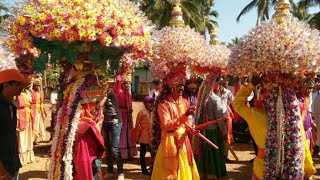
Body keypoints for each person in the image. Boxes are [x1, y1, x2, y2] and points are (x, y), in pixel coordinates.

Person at [233, 75, 316, 179]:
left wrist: (251, 84)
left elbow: (237, 104)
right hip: (292, 171)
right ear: (292, 103)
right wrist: (307, 172)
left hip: (263, 171)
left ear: (267, 101)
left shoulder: (257, 116)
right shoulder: (295, 122)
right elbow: (304, 149)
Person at [151, 71, 199, 180]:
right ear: (172, 87)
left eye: (183, 86)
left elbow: (188, 123)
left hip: (183, 144)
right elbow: (167, 125)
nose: (182, 88)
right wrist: (185, 115)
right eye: (179, 86)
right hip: (170, 143)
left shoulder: (184, 102)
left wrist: (192, 129)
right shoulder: (163, 104)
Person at [194, 76, 228, 179]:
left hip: (201, 133)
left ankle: (202, 175)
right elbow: (220, 118)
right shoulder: (215, 99)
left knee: (204, 154)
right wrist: (224, 132)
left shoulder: (200, 99)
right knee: (214, 155)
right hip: (212, 133)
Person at [0, 69, 29, 180]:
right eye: (18, 84)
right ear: (6, 85)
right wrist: (2, 173)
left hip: (13, 164)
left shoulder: (12, 105)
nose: (22, 88)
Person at [99, 88, 124, 180]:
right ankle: (110, 171)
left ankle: (121, 173)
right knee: (107, 148)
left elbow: (100, 104)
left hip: (115, 123)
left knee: (115, 148)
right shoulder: (100, 93)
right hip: (106, 123)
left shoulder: (108, 91)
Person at [114, 73, 137, 159]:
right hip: (121, 114)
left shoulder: (129, 93)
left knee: (129, 133)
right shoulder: (119, 91)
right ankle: (121, 154)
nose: (127, 85)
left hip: (128, 115)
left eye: (128, 83)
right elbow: (117, 82)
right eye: (125, 83)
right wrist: (122, 72)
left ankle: (129, 153)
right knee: (122, 133)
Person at [134, 96, 154, 176]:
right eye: (148, 103)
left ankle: (152, 168)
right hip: (143, 136)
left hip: (151, 136)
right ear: (144, 103)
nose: (150, 104)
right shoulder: (141, 113)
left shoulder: (153, 112)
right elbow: (137, 125)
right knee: (142, 154)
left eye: (151, 103)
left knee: (152, 153)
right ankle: (143, 169)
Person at [16, 86, 34, 166]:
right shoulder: (16, 93)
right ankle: (22, 159)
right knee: (22, 137)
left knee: (29, 136)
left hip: (28, 115)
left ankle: (29, 157)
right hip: (21, 115)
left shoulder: (28, 92)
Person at [31, 78, 47, 144]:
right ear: (33, 86)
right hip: (33, 110)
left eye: (38, 86)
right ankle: (34, 139)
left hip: (40, 111)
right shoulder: (31, 92)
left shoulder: (41, 92)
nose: (37, 87)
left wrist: (43, 110)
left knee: (40, 124)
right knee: (34, 124)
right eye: (36, 86)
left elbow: (41, 102)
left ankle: (38, 139)